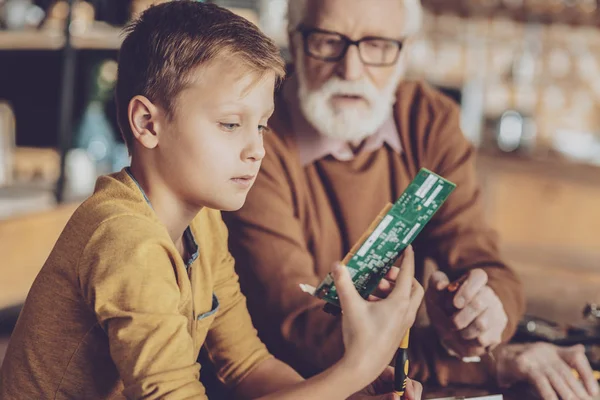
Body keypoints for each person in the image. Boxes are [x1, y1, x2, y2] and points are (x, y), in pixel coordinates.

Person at [0, 2, 425, 399]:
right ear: (148, 123)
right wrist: (355, 369)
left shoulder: (203, 223)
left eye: (261, 126)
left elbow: (248, 366)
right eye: (229, 124)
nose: (257, 149)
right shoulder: (127, 241)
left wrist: (347, 391)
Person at [223, 0, 600, 398]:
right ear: (294, 39)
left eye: (379, 46)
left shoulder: (430, 121)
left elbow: (486, 264)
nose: (352, 70)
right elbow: (301, 332)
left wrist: (483, 315)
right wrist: (489, 362)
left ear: (405, 48)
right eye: (328, 42)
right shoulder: (257, 138)